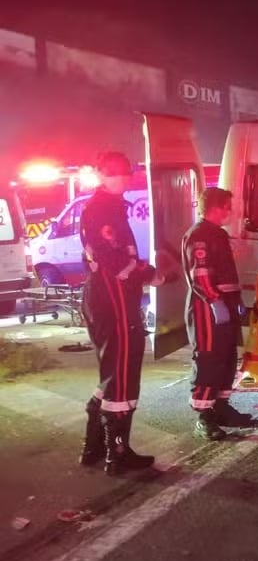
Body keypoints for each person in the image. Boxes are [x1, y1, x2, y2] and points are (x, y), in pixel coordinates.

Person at [78, 151, 164, 476]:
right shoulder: (101, 210)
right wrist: (149, 273)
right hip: (113, 301)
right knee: (123, 376)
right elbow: (114, 264)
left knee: (112, 373)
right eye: (114, 172)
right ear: (101, 174)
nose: (122, 177)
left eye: (126, 171)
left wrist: (144, 272)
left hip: (112, 299)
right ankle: (117, 452)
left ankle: (95, 446)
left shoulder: (112, 207)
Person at [181, 187, 253, 440]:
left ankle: (221, 407)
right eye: (227, 207)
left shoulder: (217, 234)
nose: (230, 212)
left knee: (226, 359)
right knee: (208, 360)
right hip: (206, 309)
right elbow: (200, 274)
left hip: (224, 305)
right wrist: (215, 301)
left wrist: (235, 301)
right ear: (216, 207)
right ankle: (204, 416)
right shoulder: (199, 235)